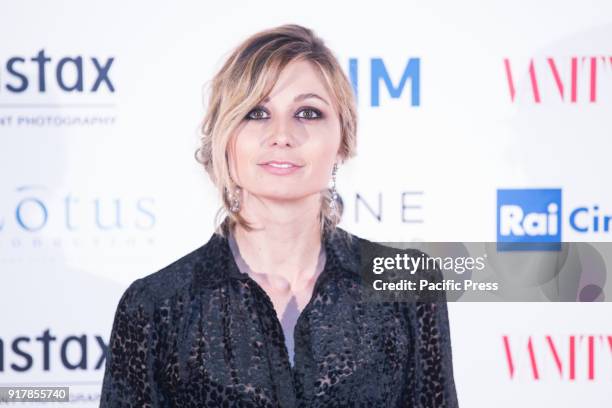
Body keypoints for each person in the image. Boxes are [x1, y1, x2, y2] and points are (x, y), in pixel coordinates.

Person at [100, 24, 459, 407]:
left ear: (342, 140)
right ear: (225, 140)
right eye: (256, 113)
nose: (282, 134)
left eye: (308, 112)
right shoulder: (157, 306)